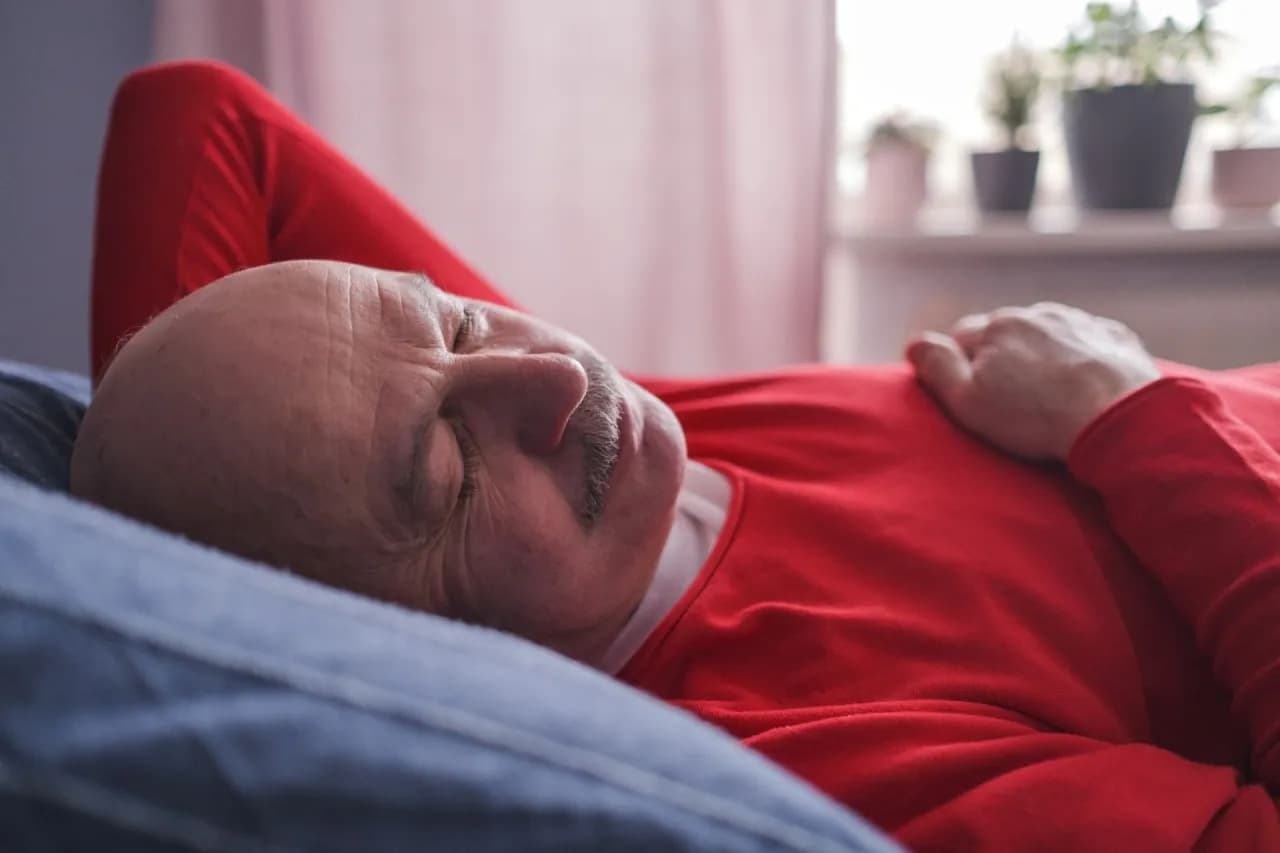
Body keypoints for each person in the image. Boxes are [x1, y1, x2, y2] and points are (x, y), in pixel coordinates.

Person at [71, 61, 1280, 850]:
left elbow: (197, 112)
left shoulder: (582, 440)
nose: (552, 377)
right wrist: (1133, 406)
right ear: (387, 647)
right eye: (444, 474)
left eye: (451, 316)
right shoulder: (825, 761)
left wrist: (161, 496)